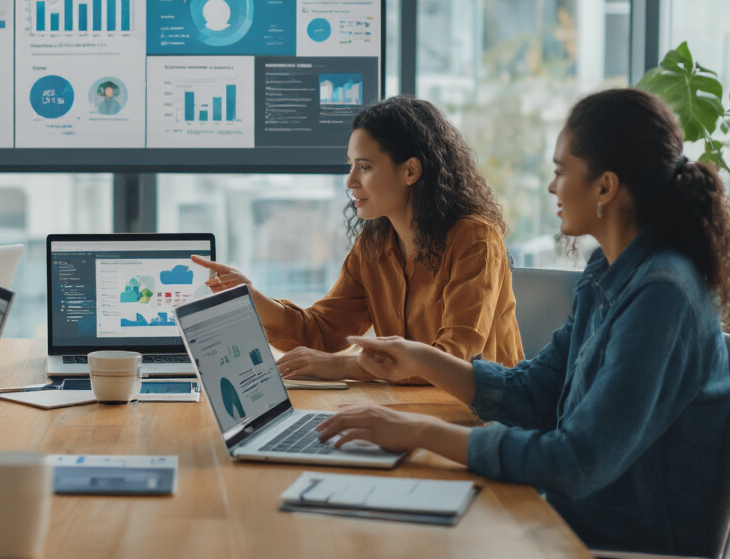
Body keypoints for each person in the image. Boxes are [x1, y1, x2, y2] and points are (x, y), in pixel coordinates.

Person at [315, 88, 730, 559]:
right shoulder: (608, 274)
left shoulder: (662, 296)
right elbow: (536, 392)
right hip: (564, 534)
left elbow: (575, 461)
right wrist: (420, 359)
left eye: (562, 171)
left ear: (606, 186)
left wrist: (418, 431)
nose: (551, 187)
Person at [193, 96, 522, 383]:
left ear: (410, 171)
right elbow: (324, 333)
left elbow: (454, 358)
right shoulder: (374, 245)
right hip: (408, 408)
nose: (350, 181)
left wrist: (346, 366)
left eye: (364, 166)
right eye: (350, 165)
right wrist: (252, 298)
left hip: (483, 419)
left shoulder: (475, 238)